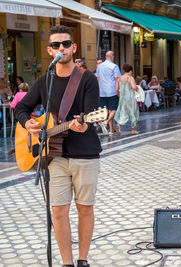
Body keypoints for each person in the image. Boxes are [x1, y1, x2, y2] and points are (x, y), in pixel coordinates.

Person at [15, 25, 101, 267]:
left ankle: (83, 259)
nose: (61, 48)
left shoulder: (87, 79)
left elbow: (91, 116)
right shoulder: (45, 80)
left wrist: (84, 125)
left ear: (74, 47)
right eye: (56, 45)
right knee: (58, 212)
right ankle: (66, 263)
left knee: (84, 209)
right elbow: (21, 108)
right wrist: (28, 123)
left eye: (65, 44)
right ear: (49, 50)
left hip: (85, 154)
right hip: (55, 158)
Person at [95, 50, 121, 133]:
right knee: (113, 109)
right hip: (112, 91)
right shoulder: (114, 66)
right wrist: (117, 91)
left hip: (102, 91)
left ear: (106, 57)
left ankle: (111, 129)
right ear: (112, 57)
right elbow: (117, 80)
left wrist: (98, 90)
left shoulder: (99, 66)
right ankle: (106, 122)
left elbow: (98, 79)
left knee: (106, 110)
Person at [114, 63, 139, 135]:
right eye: (132, 71)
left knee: (122, 112)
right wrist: (138, 88)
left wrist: (119, 95)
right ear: (130, 71)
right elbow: (134, 87)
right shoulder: (130, 78)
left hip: (122, 97)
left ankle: (119, 125)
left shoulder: (119, 78)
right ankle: (133, 130)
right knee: (133, 112)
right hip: (130, 97)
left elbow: (116, 89)